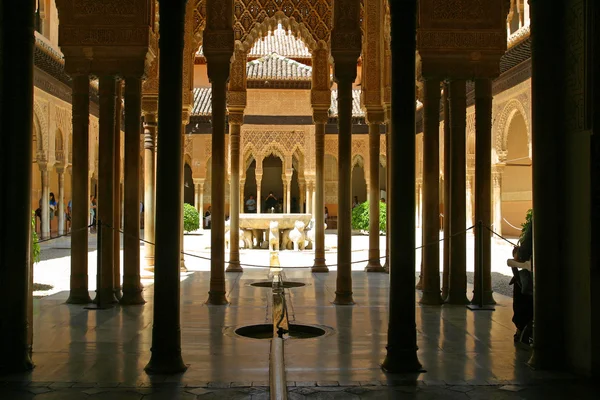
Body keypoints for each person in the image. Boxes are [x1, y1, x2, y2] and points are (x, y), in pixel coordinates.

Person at [506, 210, 533, 345]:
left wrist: (517, 252)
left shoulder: (537, 221)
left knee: (519, 282)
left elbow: (522, 254)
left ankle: (521, 328)